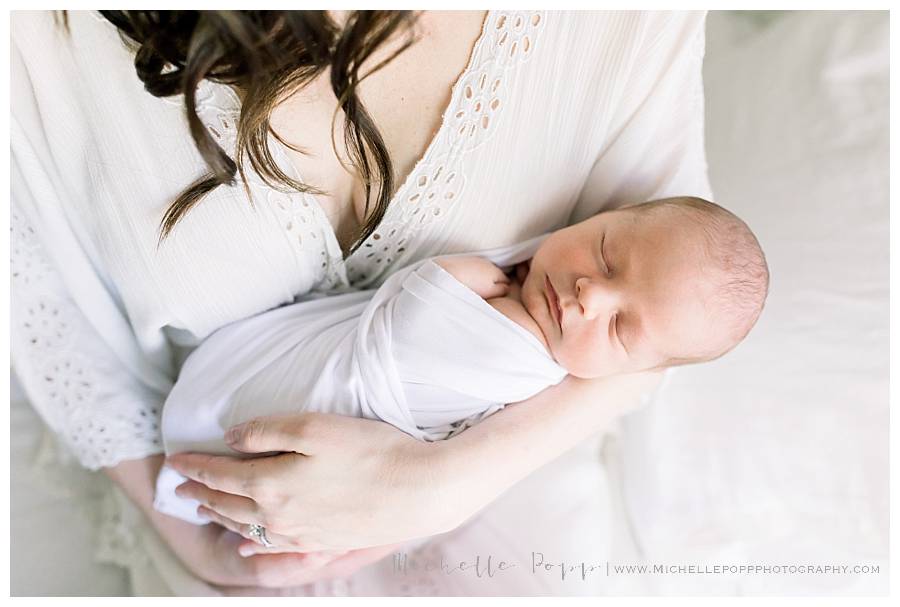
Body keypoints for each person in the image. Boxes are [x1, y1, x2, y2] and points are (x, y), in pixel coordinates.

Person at [11, 10, 714, 595]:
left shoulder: (626, 24)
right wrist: (202, 548)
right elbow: (46, 301)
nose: (591, 291)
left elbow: (670, 321)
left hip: (503, 492)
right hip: (215, 500)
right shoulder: (48, 33)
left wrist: (442, 483)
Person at [155, 195, 769, 532]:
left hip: (311, 414)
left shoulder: (523, 359)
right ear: (603, 215)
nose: (590, 294)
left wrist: (462, 282)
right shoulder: (538, 281)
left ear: (630, 371)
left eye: (620, 327)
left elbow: (419, 327)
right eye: (607, 254)